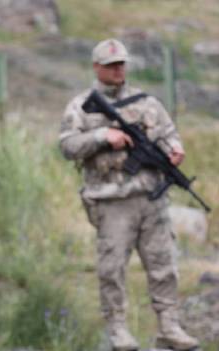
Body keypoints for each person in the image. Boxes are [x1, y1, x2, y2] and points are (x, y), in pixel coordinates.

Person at [59, 39, 199, 351]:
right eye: (110, 65)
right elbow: (67, 145)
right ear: (96, 67)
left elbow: (168, 133)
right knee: (112, 269)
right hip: (111, 200)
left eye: (121, 64)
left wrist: (175, 149)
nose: (117, 69)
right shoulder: (81, 105)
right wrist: (101, 136)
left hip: (151, 198)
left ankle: (169, 326)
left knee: (164, 264)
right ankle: (118, 330)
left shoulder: (147, 102)